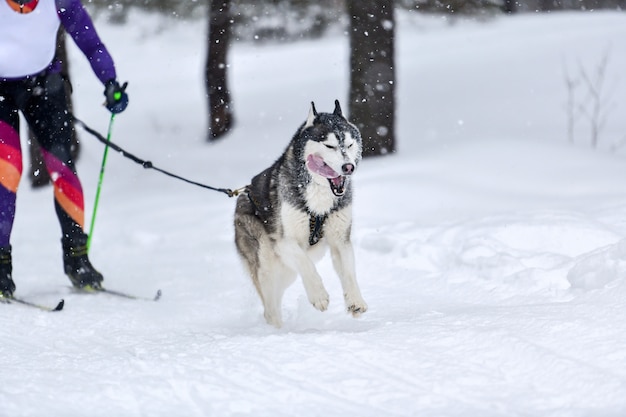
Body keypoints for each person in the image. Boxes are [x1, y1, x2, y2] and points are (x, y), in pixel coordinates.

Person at [0, 0, 129, 298]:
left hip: (43, 84)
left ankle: (77, 259)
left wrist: (110, 82)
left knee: (63, 170)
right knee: (7, 171)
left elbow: (90, 42)